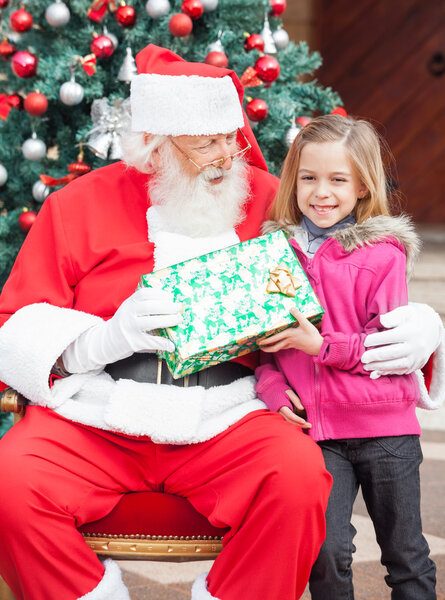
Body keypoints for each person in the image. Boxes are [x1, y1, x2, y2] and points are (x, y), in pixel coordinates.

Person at [0, 46, 441, 600]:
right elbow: (16, 324)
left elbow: (356, 259)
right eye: (206, 143)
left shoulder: (269, 197)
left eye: (230, 137)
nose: (227, 156)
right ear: (154, 144)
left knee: (299, 479)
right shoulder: (77, 206)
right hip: (99, 410)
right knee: (8, 482)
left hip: (230, 413)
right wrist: (105, 338)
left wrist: (425, 324)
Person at [255, 114, 444, 600]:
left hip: (384, 429)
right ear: (292, 182)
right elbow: (264, 351)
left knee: (405, 554)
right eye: (309, 178)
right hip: (318, 434)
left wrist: (318, 346)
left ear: (362, 186)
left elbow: (387, 352)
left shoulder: (383, 254)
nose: (322, 192)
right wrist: (275, 391)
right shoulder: (272, 254)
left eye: (338, 179)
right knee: (325, 552)